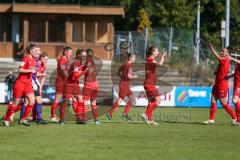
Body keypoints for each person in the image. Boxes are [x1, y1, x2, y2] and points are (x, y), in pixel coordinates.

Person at [3, 44, 40, 126]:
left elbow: (33, 72)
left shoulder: (34, 60)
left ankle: (23, 119)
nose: (38, 52)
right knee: (16, 103)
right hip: (20, 83)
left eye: (38, 51)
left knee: (32, 101)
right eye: (36, 50)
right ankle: (6, 119)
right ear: (31, 51)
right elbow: (20, 69)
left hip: (27, 84)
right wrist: (30, 71)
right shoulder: (26, 58)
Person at [203, 43, 237, 125]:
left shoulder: (225, 60)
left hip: (222, 85)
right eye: (221, 51)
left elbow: (218, 57)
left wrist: (212, 49)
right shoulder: (222, 61)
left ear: (227, 54)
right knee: (213, 101)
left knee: (223, 103)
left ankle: (234, 118)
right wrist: (217, 72)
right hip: (217, 84)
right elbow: (222, 71)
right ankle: (211, 119)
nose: (221, 52)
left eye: (223, 51)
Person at [106, 53, 137, 121]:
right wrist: (135, 76)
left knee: (132, 98)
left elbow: (117, 72)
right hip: (124, 85)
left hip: (125, 84)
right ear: (130, 58)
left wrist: (122, 77)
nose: (135, 59)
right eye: (134, 57)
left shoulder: (124, 64)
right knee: (120, 100)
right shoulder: (128, 65)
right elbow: (129, 76)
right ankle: (110, 112)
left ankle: (125, 113)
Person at [141, 46, 167, 125]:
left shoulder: (150, 60)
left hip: (148, 83)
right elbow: (160, 64)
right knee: (158, 100)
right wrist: (163, 57)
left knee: (151, 102)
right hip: (150, 84)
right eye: (157, 51)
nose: (158, 52)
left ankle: (150, 120)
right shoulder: (150, 59)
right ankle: (145, 113)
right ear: (153, 52)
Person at [59, 49, 86, 124]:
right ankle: (61, 119)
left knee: (80, 99)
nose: (84, 57)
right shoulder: (75, 63)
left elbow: (77, 75)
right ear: (78, 56)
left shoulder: (81, 63)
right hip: (69, 84)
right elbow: (75, 75)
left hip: (75, 84)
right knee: (66, 101)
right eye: (83, 56)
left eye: (85, 56)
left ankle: (79, 118)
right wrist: (84, 72)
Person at [50, 47, 72, 122]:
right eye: (69, 52)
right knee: (58, 98)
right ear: (65, 52)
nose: (71, 54)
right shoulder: (62, 59)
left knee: (66, 99)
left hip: (66, 82)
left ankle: (61, 116)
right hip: (61, 82)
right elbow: (63, 69)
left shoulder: (67, 60)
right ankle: (53, 116)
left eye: (71, 53)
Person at [81, 49, 100, 124]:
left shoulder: (88, 61)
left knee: (85, 102)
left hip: (89, 84)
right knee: (93, 102)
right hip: (95, 84)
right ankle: (96, 120)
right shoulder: (92, 61)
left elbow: (89, 70)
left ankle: (84, 118)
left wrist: (82, 70)